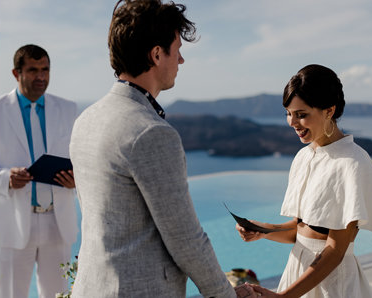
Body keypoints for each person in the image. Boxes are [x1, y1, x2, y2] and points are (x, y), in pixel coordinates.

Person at [68, 1, 254, 297]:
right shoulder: (151, 132)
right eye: (176, 49)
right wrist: (225, 294)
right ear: (157, 54)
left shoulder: (85, 120)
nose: (180, 60)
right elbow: (185, 238)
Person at [238, 64, 372, 298]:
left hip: (331, 283)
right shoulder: (304, 157)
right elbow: (302, 230)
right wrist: (262, 230)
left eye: (302, 115)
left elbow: (334, 250)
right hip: (298, 273)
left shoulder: (352, 163)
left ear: (329, 110)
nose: (292, 123)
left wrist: (285, 296)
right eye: (288, 113)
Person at [0, 44, 79, 298]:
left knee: (60, 295)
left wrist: (76, 178)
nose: (41, 77)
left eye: (45, 69)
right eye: (33, 70)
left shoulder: (68, 109)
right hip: (14, 221)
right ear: (16, 73)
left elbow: (80, 158)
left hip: (58, 220)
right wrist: (5, 178)